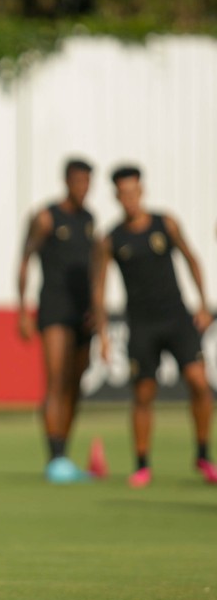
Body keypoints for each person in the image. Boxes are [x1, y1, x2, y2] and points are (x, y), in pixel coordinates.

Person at [92, 165, 216, 488]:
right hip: (142, 323)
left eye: (134, 192)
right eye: (123, 194)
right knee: (144, 393)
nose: (129, 199)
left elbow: (192, 259)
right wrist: (103, 335)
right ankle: (142, 463)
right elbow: (99, 288)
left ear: (141, 191)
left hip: (176, 317)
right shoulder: (112, 239)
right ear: (117, 196)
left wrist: (203, 304)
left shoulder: (165, 223)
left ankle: (203, 454)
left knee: (199, 382)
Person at [17, 158, 106, 483]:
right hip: (54, 308)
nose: (83, 188)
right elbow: (25, 260)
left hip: (83, 312)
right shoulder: (45, 217)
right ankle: (54, 459)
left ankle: (65, 454)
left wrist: (97, 310)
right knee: (55, 380)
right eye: (78, 181)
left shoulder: (89, 220)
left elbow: (94, 268)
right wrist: (23, 310)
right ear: (67, 181)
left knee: (75, 384)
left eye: (88, 182)